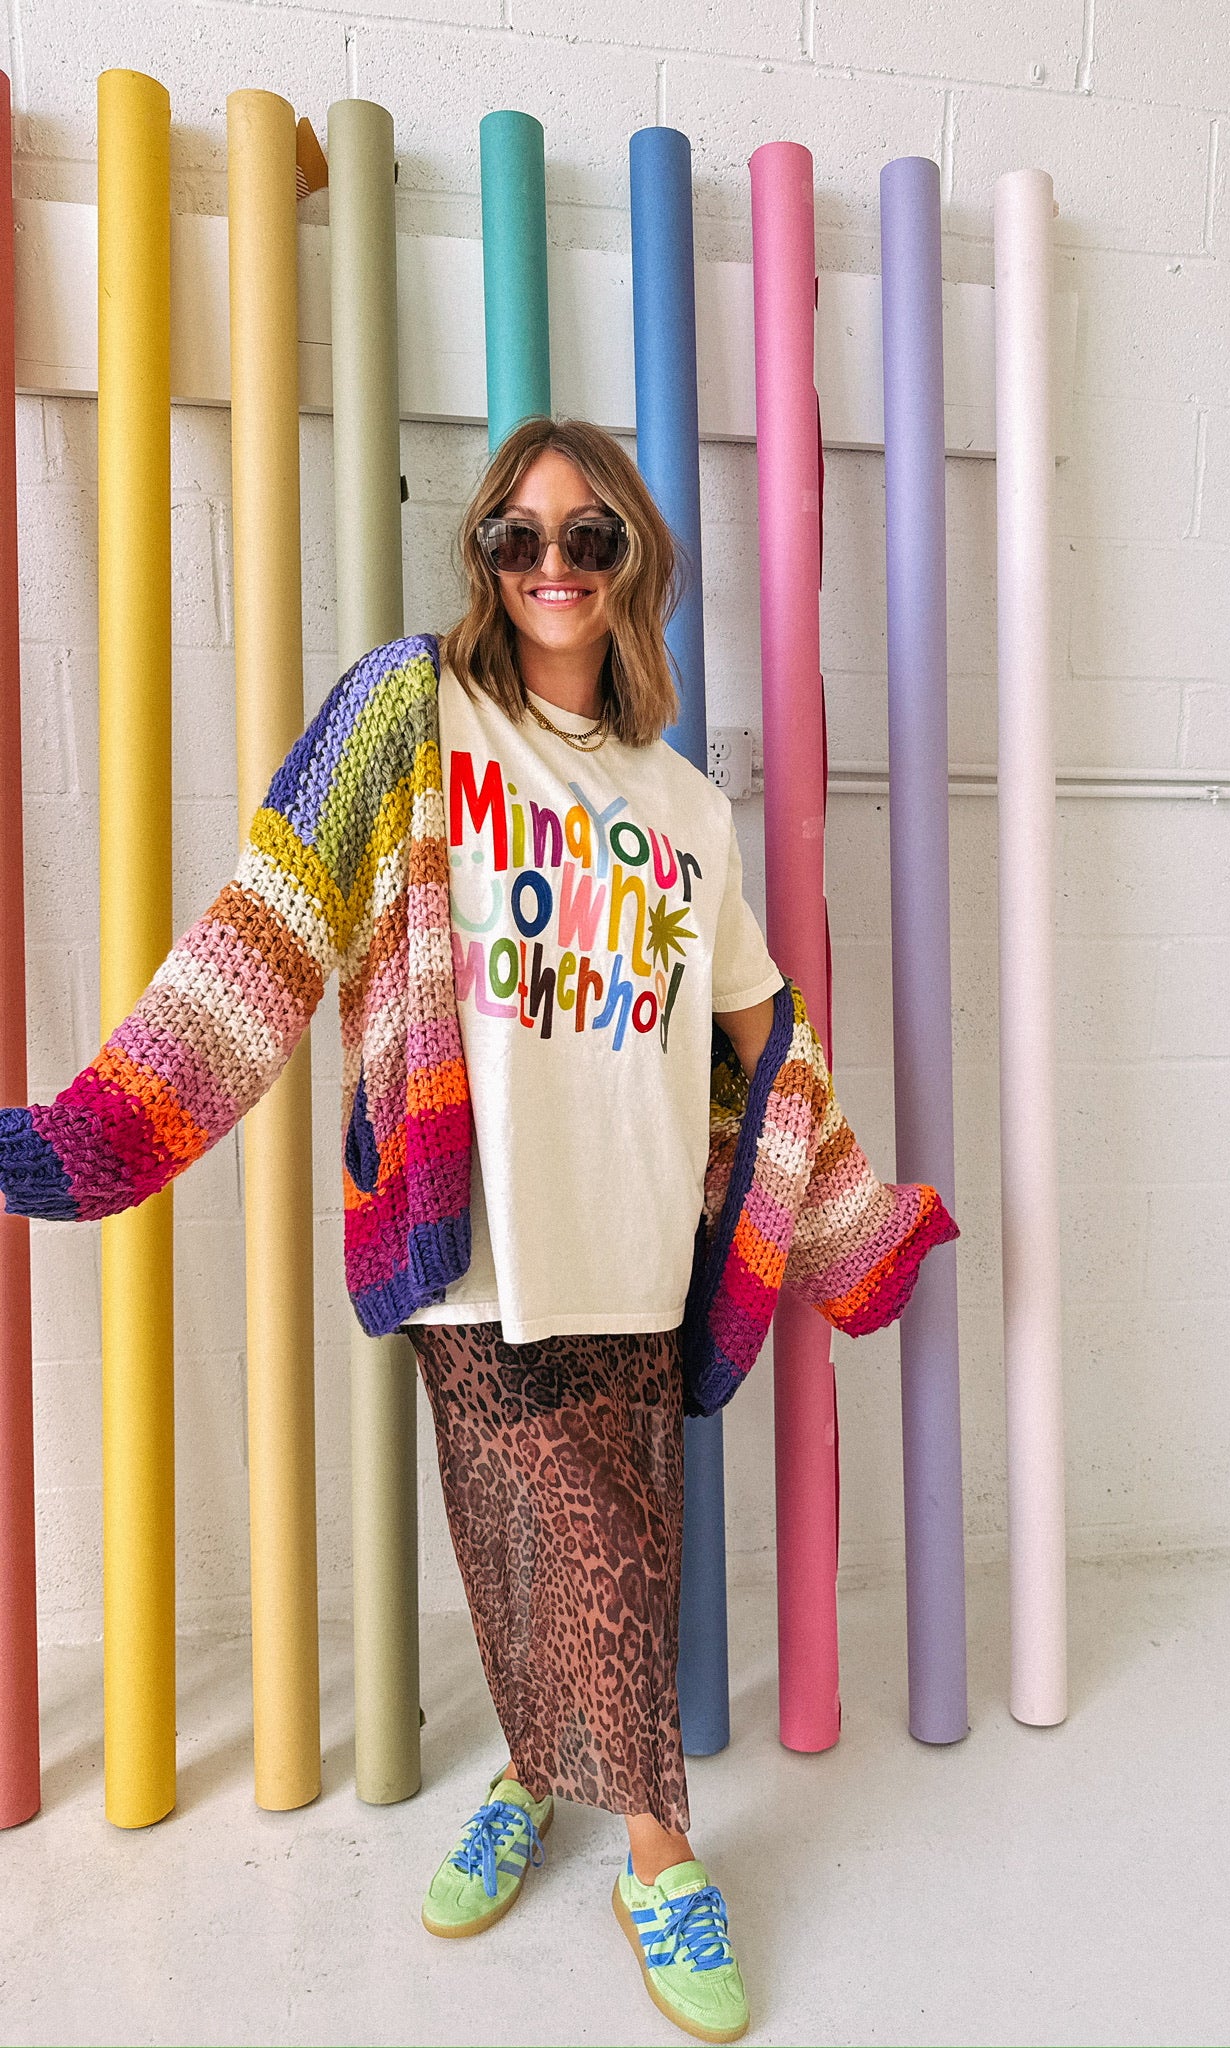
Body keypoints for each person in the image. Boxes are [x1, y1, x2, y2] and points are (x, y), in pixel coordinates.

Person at [0, 416, 957, 2046]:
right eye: (520, 536)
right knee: (560, 1543)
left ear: (634, 562)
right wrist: (103, 1129)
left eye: (589, 537)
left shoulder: (686, 805)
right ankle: (658, 1857)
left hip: (636, 1251)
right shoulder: (416, 712)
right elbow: (268, 927)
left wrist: (842, 1203)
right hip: (473, 1246)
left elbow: (760, 1028)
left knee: (586, 1550)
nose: (552, 565)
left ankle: (528, 1770)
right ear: (486, 559)